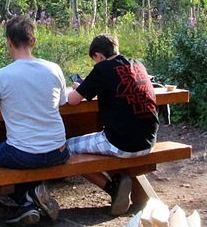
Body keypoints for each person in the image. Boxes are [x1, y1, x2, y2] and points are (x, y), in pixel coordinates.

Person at [0, 15, 69, 227]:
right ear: (33, 41)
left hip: (24, 153)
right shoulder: (54, 69)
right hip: (60, 151)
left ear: (8, 41)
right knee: (23, 155)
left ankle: (25, 200)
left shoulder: (2, 75)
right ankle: (32, 195)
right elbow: (62, 101)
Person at [65, 33, 159, 215]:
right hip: (149, 141)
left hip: (122, 144)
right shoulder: (138, 65)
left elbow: (73, 100)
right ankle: (120, 180)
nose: (95, 64)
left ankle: (112, 187)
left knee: (66, 148)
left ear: (99, 55)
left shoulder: (102, 69)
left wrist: (79, 87)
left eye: (94, 60)